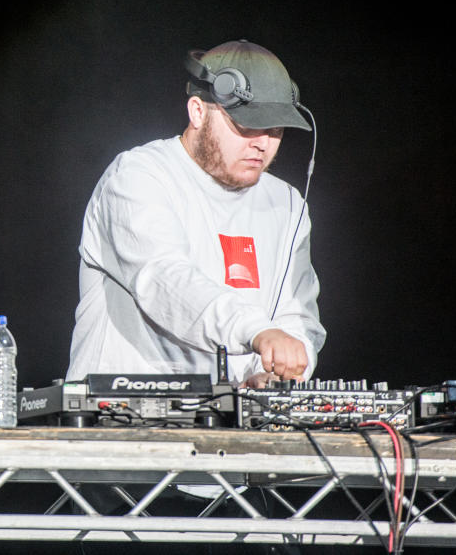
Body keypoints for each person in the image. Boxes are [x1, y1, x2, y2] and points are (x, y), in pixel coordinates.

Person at [66, 39, 326, 388]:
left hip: (229, 426)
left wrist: (281, 370)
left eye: (275, 130)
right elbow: (164, 279)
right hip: (120, 420)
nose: (263, 143)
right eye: (248, 126)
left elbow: (297, 316)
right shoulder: (138, 176)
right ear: (198, 112)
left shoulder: (287, 203)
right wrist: (257, 330)